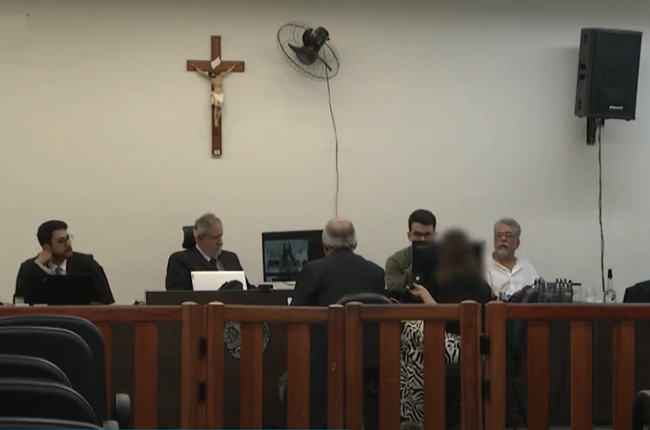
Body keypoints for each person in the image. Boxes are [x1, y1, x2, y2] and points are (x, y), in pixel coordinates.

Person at [290, 218, 385, 429]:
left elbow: (294, 315)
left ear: (325, 245)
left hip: (324, 366)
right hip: (368, 364)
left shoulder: (313, 270)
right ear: (355, 243)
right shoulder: (376, 273)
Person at [398, 229, 493, 425]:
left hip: (466, 345)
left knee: (410, 332)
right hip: (479, 345)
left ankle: (414, 414)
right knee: (413, 347)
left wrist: (424, 295)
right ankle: (415, 413)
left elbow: (445, 320)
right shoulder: (479, 282)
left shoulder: (458, 282)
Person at [15, 220, 114, 304]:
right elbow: (20, 304)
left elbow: (107, 303)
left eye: (68, 238)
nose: (68, 244)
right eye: (61, 241)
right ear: (46, 247)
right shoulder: (29, 269)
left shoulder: (87, 265)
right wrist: (39, 266)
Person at [165, 213, 248, 290]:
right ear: (200, 239)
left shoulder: (231, 258)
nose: (220, 242)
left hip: (235, 301)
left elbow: (247, 288)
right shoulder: (180, 261)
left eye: (221, 236)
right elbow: (177, 294)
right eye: (215, 238)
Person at [486, 218, 539, 299]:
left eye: (508, 235)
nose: (503, 239)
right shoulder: (481, 267)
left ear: (517, 242)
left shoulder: (528, 269)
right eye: (499, 235)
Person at [385, 209, 437, 292]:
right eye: (417, 234)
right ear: (409, 236)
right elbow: (392, 292)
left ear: (434, 235)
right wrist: (416, 265)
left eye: (427, 234)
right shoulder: (395, 261)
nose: (422, 239)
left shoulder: (446, 259)